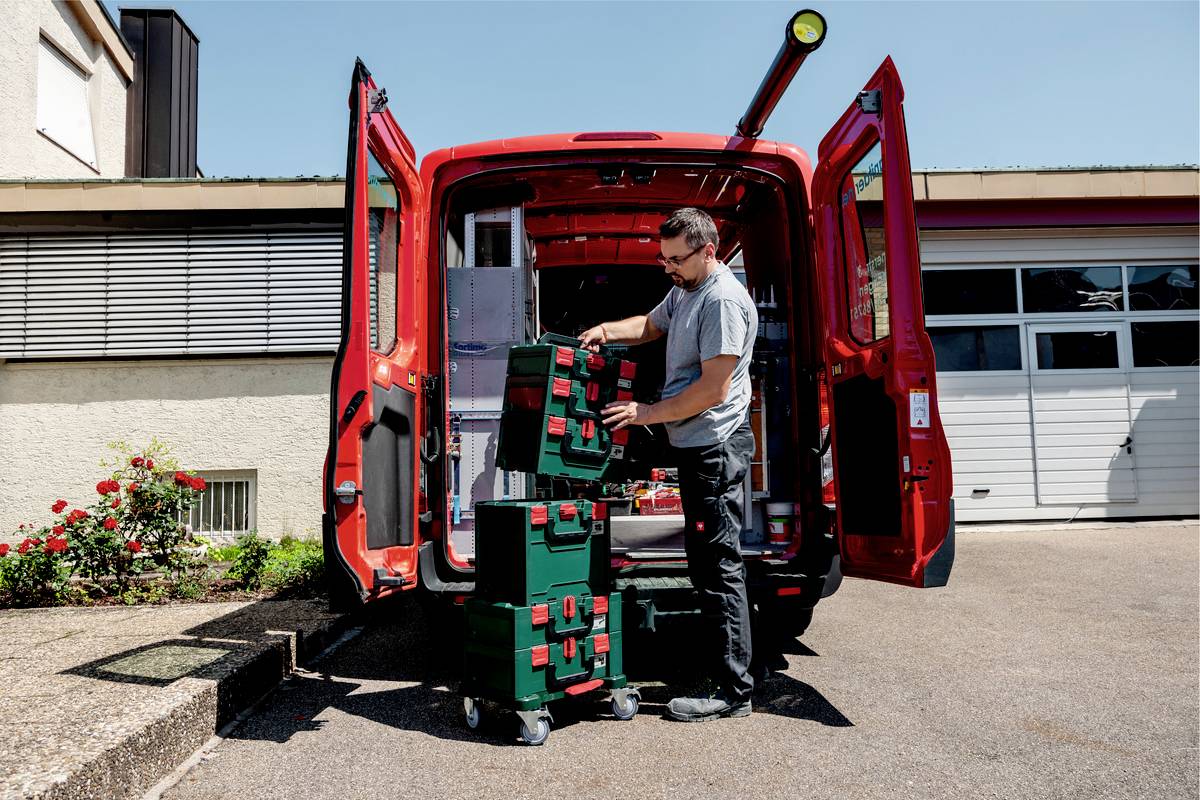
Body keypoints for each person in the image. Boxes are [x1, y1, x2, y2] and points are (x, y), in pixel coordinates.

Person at [579, 207, 758, 722]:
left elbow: (711, 389)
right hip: (693, 442)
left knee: (719, 567)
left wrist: (645, 414)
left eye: (676, 259)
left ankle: (733, 693)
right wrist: (606, 331)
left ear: (709, 251)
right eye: (663, 259)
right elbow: (651, 325)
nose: (668, 268)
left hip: (714, 448)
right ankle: (726, 673)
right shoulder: (685, 289)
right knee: (706, 563)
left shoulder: (722, 301)